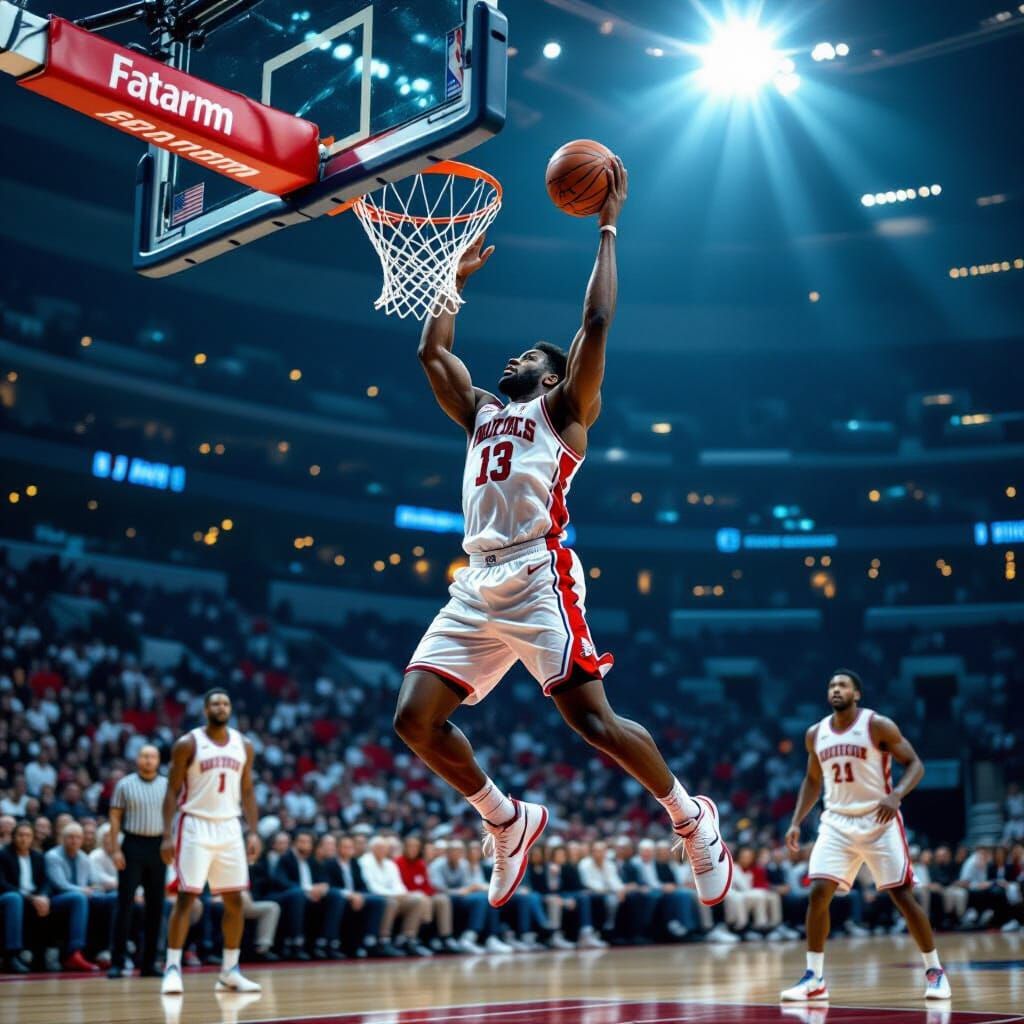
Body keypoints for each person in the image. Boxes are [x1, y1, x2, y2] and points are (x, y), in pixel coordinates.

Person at [393, 156, 730, 913]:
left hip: (540, 573)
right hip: (476, 582)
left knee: (594, 724)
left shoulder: (563, 413)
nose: (514, 357)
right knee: (413, 720)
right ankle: (505, 820)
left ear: (553, 376)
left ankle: (690, 817)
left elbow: (597, 323)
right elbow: (430, 353)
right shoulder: (479, 409)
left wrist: (607, 226)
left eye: (531, 356)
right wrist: (452, 277)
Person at [781, 670, 951, 1002]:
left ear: (857, 694)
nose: (835, 689)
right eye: (831, 685)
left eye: (842, 685)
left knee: (902, 896)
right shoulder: (815, 733)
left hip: (879, 819)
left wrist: (897, 793)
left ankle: (935, 971)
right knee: (818, 893)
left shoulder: (877, 725)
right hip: (836, 823)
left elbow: (915, 764)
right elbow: (813, 781)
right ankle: (814, 977)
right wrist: (796, 821)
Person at [160, 689, 261, 995]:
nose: (221, 707)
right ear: (205, 710)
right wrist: (167, 834)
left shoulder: (244, 745)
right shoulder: (188, 744)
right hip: (195, 825)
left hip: (230, 827)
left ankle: (230, 971)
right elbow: (171, 791)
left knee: (234, 901)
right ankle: (173, 968)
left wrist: (253, 831)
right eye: (215, 703)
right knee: (186, 899)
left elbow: (246, 790)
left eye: (226, 702)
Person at [0, 820, 96, 972]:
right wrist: (30, 898)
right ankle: (12, 955)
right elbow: (2, 883)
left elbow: (46, 882)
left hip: (35, 898)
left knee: (71, 900)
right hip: (11, 897)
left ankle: (74, 953)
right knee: (14, 898)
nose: (24, 839)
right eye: (20, 835)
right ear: (13, 836)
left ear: (32, 838)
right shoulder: (3, 855)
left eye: (27, 835)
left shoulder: (37, 857)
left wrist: (44, 896)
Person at [107, 744, 167, 979]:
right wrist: (115, 850)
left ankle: (150, 963)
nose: (148, 760)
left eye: (152, 756)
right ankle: (117, 962)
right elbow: (114, 817)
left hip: (158, 847)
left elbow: (174, 818)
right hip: (131, 845)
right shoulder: (124, 784)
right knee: (125, 905)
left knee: (156, 907)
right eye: (144, 756)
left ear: (158, 760)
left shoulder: (167, 785)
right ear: (137, 759)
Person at [45, 821, 117, 962]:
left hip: (83, 895)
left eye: (78, 837)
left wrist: (95, 890)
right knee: (79, 898)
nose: (74, 840)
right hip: (57, 898)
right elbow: (60, 885)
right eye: (70, 837)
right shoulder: (52, 856)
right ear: (63, 839)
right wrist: (83, 890)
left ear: (82, 840)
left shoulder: (84, 858)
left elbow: (95, 883)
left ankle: (108, 951)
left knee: (114, 897)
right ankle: (75, 952)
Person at [358, 835, 432, 956]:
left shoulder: (390, 864)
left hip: (394, 896)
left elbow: (398, 885)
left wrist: (403, 894)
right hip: (375, 897)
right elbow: (372, 887)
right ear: (372, 848)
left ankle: (407, 939)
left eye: (385, 848)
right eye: (379, 848)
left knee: (418, 900)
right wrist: (395, 895)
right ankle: (383, 941)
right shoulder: (365, 861)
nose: (383, 850)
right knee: (390, 902)